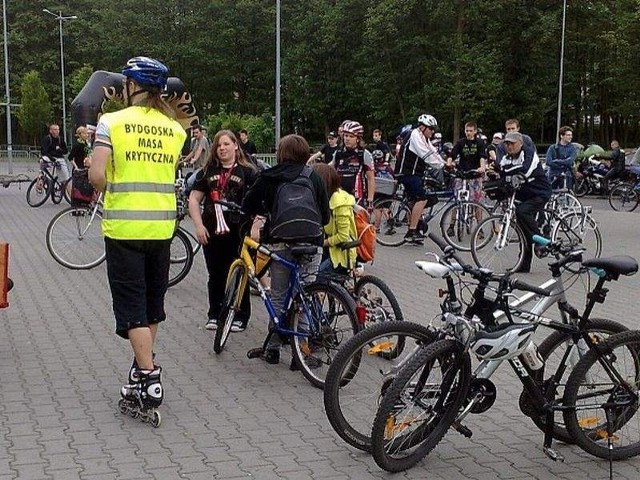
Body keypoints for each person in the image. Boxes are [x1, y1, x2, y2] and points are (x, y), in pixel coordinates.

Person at [87, 56, 187, 415]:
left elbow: (97, 176)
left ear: (132, 86)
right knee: (152, 304)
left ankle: (149, 375)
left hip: (124, 228)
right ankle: (141, 365)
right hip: (162, 228)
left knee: (131, 307)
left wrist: (105, 175)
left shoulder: (111, 122)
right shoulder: (175, 129)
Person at [242, 134, 330, 365]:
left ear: (280, 153)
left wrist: (262, 212)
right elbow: (325, 215)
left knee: (279, 296)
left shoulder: (270, 177)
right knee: (306, 294)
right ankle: (302, 352)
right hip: (312, 243)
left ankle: (272, 350)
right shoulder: (313, 176)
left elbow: (247, 204)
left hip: (281, 243)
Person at [188, 130, 258, 331]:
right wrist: (199, 226)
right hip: (212, 231)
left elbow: (261, 200)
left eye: (226, 144)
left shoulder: (248, 172)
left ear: (236, 146)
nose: (222, 148)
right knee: (215, 273)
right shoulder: (208, 171)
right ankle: (215, 313)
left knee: (238, 272)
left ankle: (240, 315)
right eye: (219, 145)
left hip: (239, 232)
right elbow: (194, 199)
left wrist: (256, 224)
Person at [495, 131, 551, 273]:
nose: (509, 146)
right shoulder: (507, 158)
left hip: (540, 192)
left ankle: (540, 240)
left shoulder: (529, 153)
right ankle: (524, 264)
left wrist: (506, 171)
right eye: (507, 143)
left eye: (512, 143)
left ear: (520, 143)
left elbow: (525, 171)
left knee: (522, 212)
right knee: (522, 229)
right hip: (523, 194)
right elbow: (501, 169)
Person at [395, 114, 445, 244]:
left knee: (419, 199)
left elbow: (433, 151)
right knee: (422, 199)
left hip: (415, 173)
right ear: (422, 127)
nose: (433, 131)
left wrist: (445, 163)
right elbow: (426, 154)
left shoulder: (424, 138)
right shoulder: (415, 135)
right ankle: (411, 232)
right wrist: (442, 165)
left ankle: (416, 226)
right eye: (431, 128)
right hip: (406, 173)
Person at [313, 163, 357, 276]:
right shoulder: (324, 199)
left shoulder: (340, 204)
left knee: (316, 278)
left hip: (341, 253)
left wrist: (322, 243)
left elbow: (343, 236)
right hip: (329, 250)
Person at [445, 121, 487, 235]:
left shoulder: (480, 142)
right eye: (466, 130)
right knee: (457, 199)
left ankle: (480, 228)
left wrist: (482, 167)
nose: (468, 133)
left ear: (475, 131)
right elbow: (453, 154)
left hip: (475, 174)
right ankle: (452, 225)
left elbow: (482, 156)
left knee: (477, 201)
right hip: (462, 173)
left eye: (470, 131)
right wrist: (449, 162)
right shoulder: (460, 142)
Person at [329, 121, 376, 208]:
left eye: (351, 136)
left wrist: (370, 200)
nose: (347, 139)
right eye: (346, 136)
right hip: (340, 198)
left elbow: (370, 179)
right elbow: (329, 170)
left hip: (358, 199)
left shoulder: (364, 154)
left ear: (358, 139)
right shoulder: (338, 153)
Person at [41, 123, 70, 194]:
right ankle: (42, 179)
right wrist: (51, 158)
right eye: (55, 129)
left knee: (66, 177)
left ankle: (68, 191)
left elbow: (65, 151)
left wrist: (60, 150)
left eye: (58, 130)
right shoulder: (47, 139)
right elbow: (43, 151)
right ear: (50, 131)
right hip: (49, 158)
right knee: (43, 160)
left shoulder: (61, 139)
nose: (57, 131)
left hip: (59, 158)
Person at [182, 125, 211, 194]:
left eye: (197, 133)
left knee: (190, 182)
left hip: (202, 168)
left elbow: (199, 151)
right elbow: (193, 152)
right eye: (194, 133)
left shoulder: (203, 140)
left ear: (201, 132)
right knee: (187, 179)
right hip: (197, 168)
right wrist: (183, 160)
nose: (195, 135)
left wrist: (194, 160)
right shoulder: (196, 141)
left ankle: (186, 195)